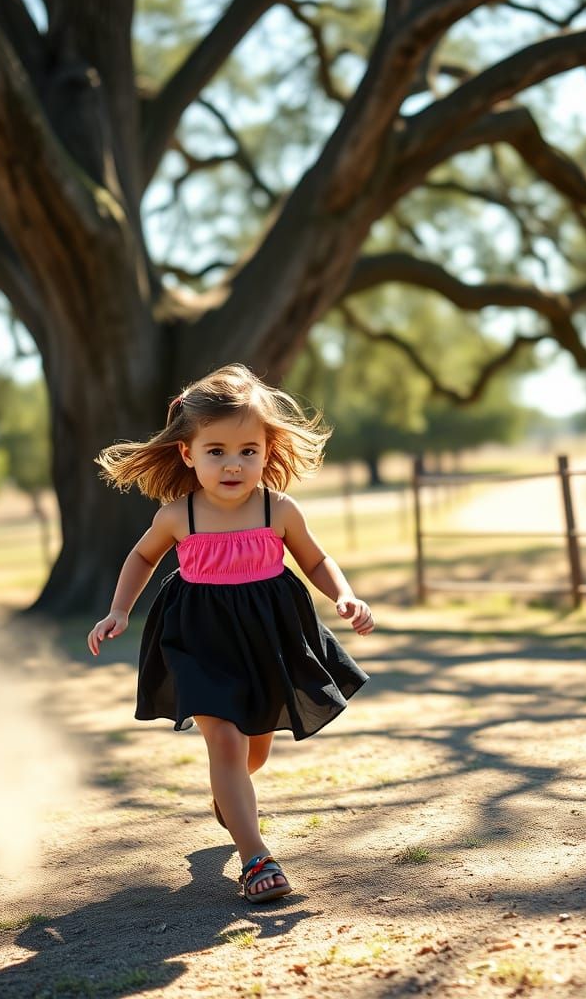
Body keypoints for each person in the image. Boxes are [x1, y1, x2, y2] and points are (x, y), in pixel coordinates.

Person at [87, 364, 373, 904]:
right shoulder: (179, 515)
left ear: (267, 451)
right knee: (223, 737)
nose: (233, 464)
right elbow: (142, 557)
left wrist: (344, 594)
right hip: (200, 638)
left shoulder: (277, 509)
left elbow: (316, 558)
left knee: (252, 752)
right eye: (215, 450)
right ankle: (256, 858)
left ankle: (230, 796)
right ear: (188, 454)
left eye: (248, 450)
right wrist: (119, 611)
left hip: (267, 638)